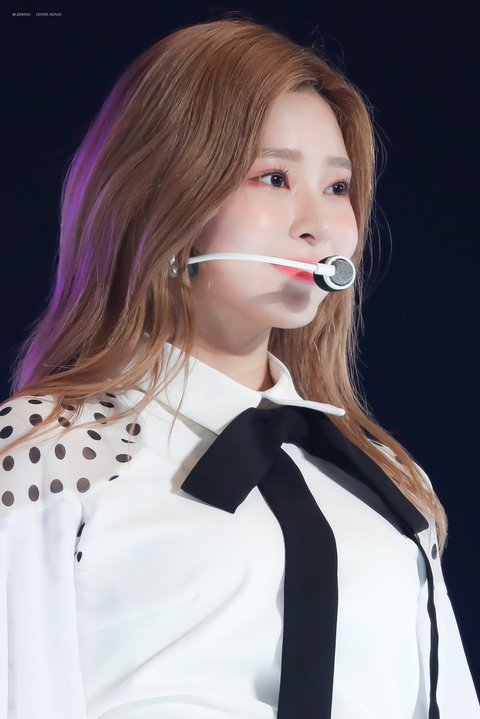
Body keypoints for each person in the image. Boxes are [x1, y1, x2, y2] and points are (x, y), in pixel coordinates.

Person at [1, 14, 478, 719]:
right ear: (168, 196)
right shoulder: (48, 447)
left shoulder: (385, 476)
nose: (319, 224)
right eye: (274, 178)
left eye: (338, 187)